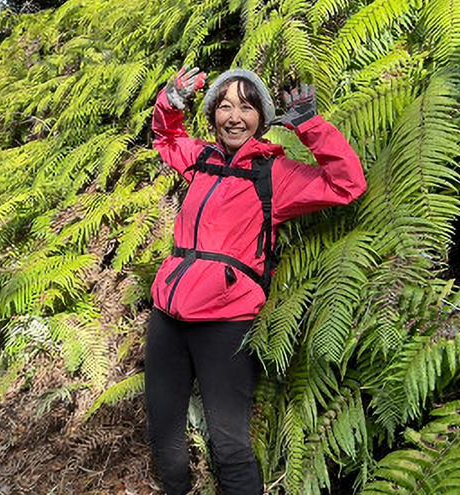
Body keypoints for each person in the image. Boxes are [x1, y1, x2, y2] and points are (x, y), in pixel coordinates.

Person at [145, 66, 367, 495]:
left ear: (262, 118)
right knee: (163, 434)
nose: (234, 117)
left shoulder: (274, 174)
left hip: (225, 322)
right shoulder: (202, 160)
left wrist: (310, 127)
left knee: (229, 445)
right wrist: (169, 103)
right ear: (212, 114)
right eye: (225, 106)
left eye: (247, 107)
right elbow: (166, 139)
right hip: (167, 317)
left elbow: (347, 184)